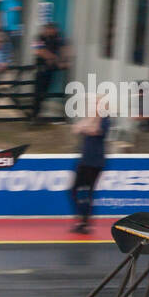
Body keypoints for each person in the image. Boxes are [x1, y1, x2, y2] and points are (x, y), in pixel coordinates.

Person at [70, 96, 111, 234]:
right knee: (73, 190)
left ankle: (85, 223)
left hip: (95, 162)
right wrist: (87, 121)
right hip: (85, 160)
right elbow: (76, 128)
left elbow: (95, 130)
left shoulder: (105, 119)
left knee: (88, 191)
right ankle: (82, 219)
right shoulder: (91, 117)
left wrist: (88, 124)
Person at [31, 21, 69, 123]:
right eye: (50, 29)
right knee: (38, 92)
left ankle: (37, 114)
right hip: (41, 69)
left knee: (44, 92)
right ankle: (34, 115)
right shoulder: (38, 37)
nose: (52, 31)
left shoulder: (58, 38)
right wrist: (55, 58)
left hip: (50, 69)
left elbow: (64, 49)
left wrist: (61, 60)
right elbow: (38, 51)